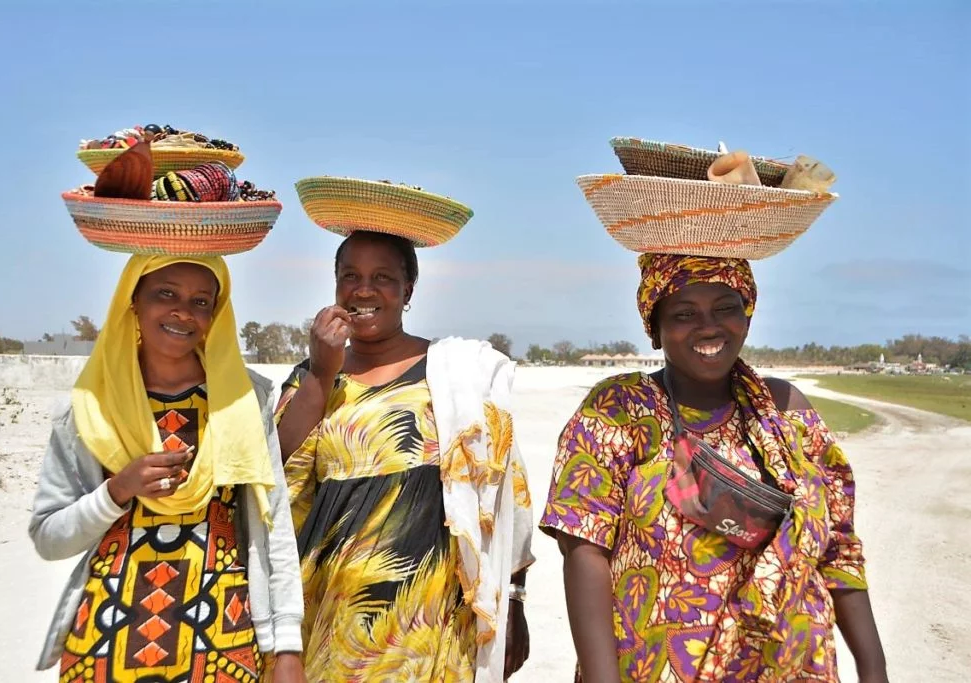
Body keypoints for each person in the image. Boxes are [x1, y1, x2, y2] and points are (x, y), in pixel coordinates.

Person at [539, 253, 888, 682]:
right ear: (655, 328)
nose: (708, 326)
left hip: (789, 666)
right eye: (685, 314)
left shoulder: (787, 411)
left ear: (747, 314)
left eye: (725, 307)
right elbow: (584, 549)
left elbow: (838, 545)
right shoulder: (620, 410)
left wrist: (874, 667)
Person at [30, 255, 307, 683]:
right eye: (166, 294)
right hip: (106, 637)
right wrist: (116, 491)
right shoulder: (89, 406)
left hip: (222, 636)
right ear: (133, 301)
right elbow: (49, 538)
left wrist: (288, 646)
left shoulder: (242, 400)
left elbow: (275, 527)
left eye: (201, 301)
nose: (183, 312)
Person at [276, 227, 535, 682]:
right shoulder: (313, 377)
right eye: (350, 276)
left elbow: (505, 495)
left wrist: (513, 599)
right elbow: (276, 478)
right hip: (329, 620)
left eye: (383, 277)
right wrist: (321, 371)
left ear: (408, 289)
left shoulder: (455, 374)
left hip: (432, 625)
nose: (364, 290)